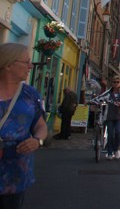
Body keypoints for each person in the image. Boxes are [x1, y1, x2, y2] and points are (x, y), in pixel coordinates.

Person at [0, 43, 48, 208]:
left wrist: (37, 140)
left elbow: (41, 126)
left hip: (16, 175)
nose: (30, 66)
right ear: (8, 65)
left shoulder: (30, 94)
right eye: (26, 62)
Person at [90, 76, 120, 159]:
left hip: (119, 116)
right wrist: (90, 102)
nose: (116, 84)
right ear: (112, 83)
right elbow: (99, 98)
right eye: (114, 82)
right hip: (109, 116)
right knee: (110, 135)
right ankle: (110, 152)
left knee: (118, 133)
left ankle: (116, 150)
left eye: (118, 82)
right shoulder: (108, 93)